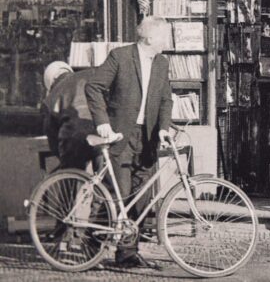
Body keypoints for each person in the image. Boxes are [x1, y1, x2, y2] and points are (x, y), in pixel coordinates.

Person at [86, 16, 173, 268]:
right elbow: (93, 86)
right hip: (120, 135)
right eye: (165, 35)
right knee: (119, 194)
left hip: (147, 139)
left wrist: (164, 129)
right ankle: (91, 249)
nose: (168, 41)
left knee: (140, 198)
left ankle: (127, 254)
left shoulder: (162, 63)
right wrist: (102, 121)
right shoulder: (120, 57)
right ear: (150, 37)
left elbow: (166, 100)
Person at [41, 61, 98, 171]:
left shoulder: (51, 97)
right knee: (103, 171)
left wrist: (59, 154)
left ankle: (71, 184)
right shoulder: (87, 76)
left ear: (51, 81)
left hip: (72, 140)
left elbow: (52, 135)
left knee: (71, 173)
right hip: (99, 132)